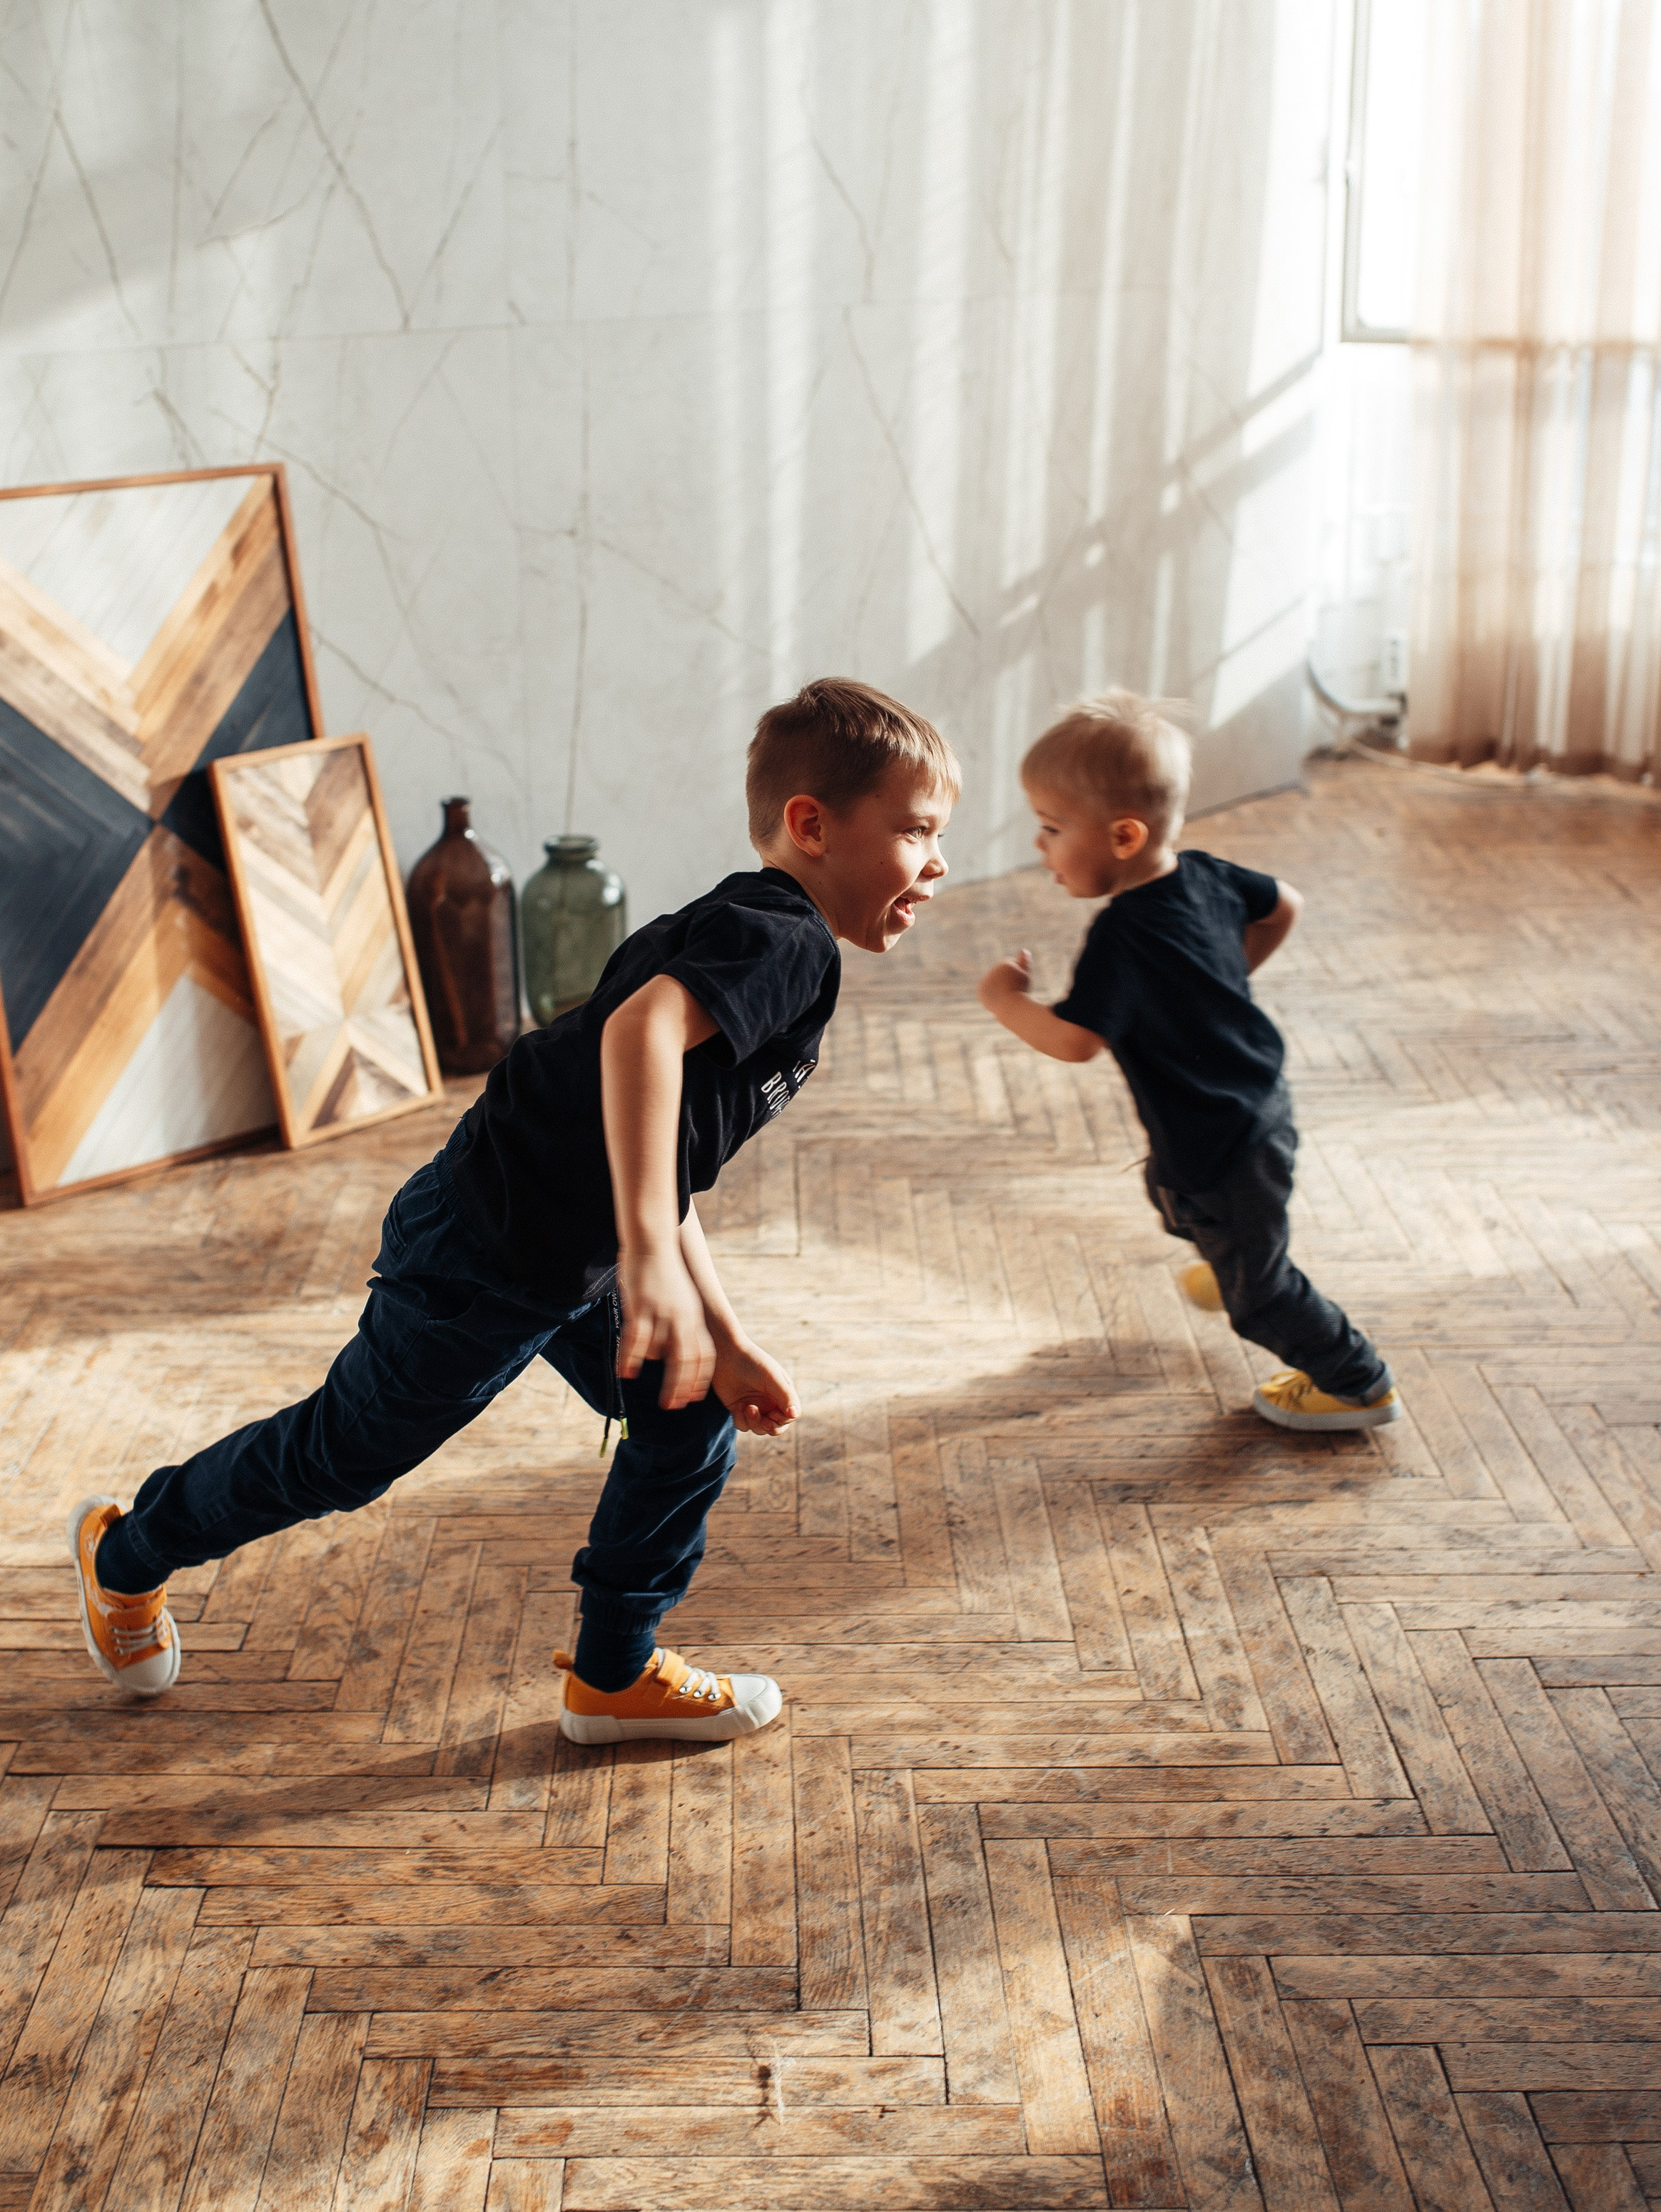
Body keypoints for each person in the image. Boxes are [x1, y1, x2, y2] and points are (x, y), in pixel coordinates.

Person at [69, 679, 959, 1737]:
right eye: (915, 831)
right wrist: (646, 1261)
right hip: (486, 1252)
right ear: (812, 825)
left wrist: (721, 1331)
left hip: (569, 1245)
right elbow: (635, 1040)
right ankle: (126, 1550)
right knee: (340, 1458)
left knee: (689, 1422)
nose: (937, 861)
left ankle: (612, 1673)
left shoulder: (754, 934)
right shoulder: (785, 942)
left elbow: (661, 1147)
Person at [977, 689, 1396, 1435]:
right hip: (1257, 1102)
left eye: (1049, 827)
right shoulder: (1202, 873)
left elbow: (1076, 1040)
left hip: (1221, 1139)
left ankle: (1357, 1381)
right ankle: (1232, 1251)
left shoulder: (1123, 936)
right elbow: (1286, 904)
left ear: (1123, 835)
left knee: (1259, 1295)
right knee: (1169, 1190)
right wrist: (1222, 981)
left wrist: (1007, 1000)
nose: (1038, 846)